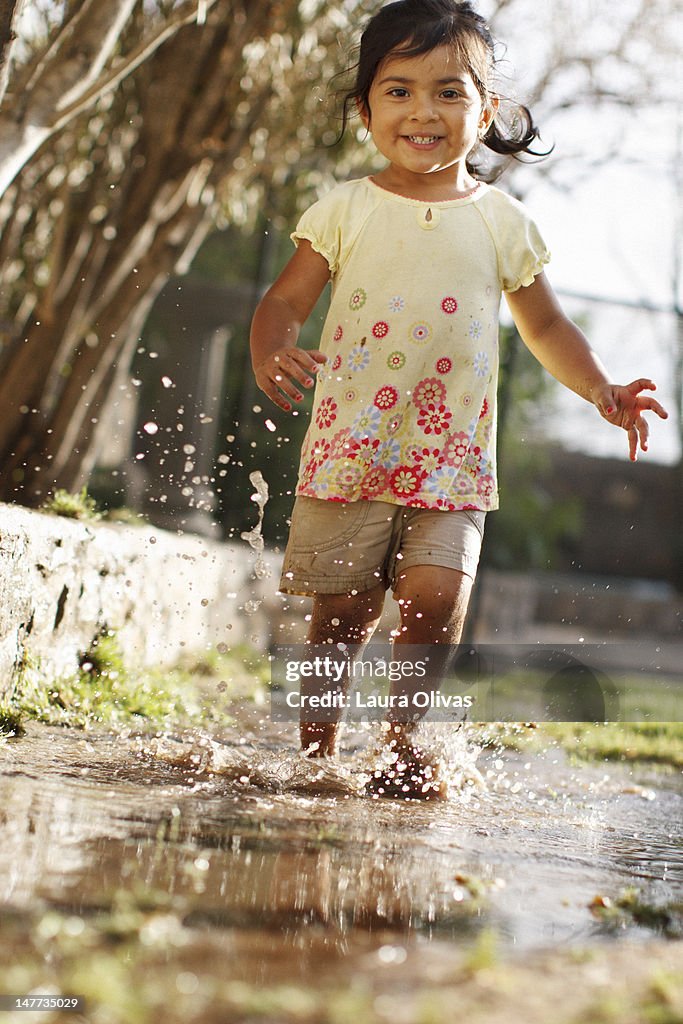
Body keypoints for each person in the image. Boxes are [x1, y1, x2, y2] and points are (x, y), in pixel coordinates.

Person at [249, 0, 668, 797]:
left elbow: (544, 325)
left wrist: (600, 389)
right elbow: (281, 303)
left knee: (436, 601)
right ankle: (317, 755)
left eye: (448, 91)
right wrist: (272, 347)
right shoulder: (344, 208)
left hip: (450, 457)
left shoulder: (501, 221)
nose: (423, 111)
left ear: (487, 109)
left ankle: (403, 745)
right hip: (351, 446)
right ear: (365, 107)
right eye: (398, 90)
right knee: (339, 617)